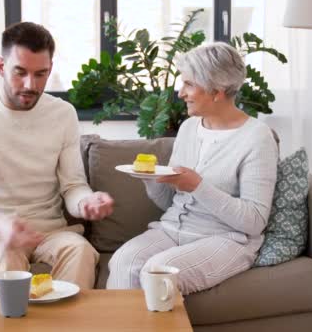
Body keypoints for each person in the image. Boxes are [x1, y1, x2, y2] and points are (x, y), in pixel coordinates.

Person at [0, 22, 114, 289]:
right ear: (1, 66)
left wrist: (85, 202)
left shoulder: (63, 114)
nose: (30, 85)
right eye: (19, 73)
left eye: (40, 74)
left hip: (51, 232)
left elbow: (72, 186)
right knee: (5, 257)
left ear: (50, 69)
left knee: (81, 251)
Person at [106, 42, 278, 295]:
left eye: (189, 84)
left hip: (227, 239)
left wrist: (198, 186)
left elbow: (253, 222)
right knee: (124, 261)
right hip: (172, 229)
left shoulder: (257, 137)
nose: (180, 92)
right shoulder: (189, 128)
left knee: (158, 273)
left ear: (217, 91)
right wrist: (151, 179)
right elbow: (171, 204)